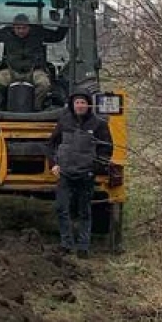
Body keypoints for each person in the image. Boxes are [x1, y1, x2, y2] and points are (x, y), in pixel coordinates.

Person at [47, 89, 113, 258]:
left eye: (83, 102)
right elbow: (52, 145)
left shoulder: (99, 124)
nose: (80, 105)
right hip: (65, 174)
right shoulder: (64, 122)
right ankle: (66, 244)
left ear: (88, 105)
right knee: (62, 209)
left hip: (86, 174)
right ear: (72, 104)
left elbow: (106, 149)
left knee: (84, 211)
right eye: (77, 102)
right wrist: (54, 164)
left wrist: (94, 168)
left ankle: (83, 247)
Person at [0, 13, 66, 110]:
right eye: (18, 28)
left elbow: (58, 36)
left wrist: (66, 17)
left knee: (44, 83)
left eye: (24, 28)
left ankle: (36, 107)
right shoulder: (6, 33)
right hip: (11, 70)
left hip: (34, 71)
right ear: (13, 28)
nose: (21, 31)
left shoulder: (38, 33)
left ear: (29, 27)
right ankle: (0, 106)